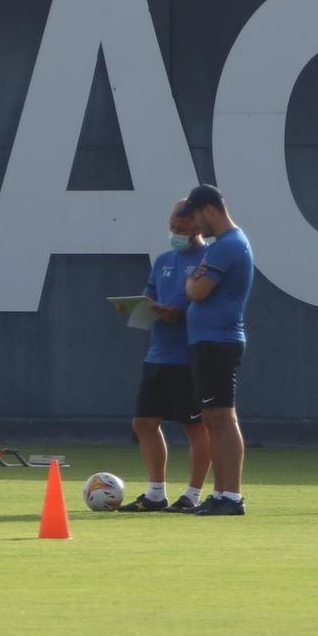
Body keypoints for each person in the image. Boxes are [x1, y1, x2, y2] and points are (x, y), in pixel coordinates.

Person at [118, 199, 213, 512]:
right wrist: (136, 305)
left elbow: (210, 300)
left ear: (198, 226)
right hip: (157, 354)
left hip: (189, 356)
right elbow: (151, 294)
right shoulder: (164, 260)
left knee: (195, 427)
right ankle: (156, 493)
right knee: (144, 423)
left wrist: (179, 312)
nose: (176, 232)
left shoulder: (210, 257)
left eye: (182, 228)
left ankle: (192, 495)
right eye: (172, 227)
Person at [178, 184, 254, 516]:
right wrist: (194, 279)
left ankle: (232, 496)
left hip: (218, 342)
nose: (195, 227)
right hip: (209, 341)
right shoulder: (220, 246)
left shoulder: (227, 246)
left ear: (210, 210)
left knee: (222, 416)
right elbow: (196, 284)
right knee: (213, 417)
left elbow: (197, 289)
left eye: (196, 217)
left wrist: (193, 280)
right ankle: (222, 493)